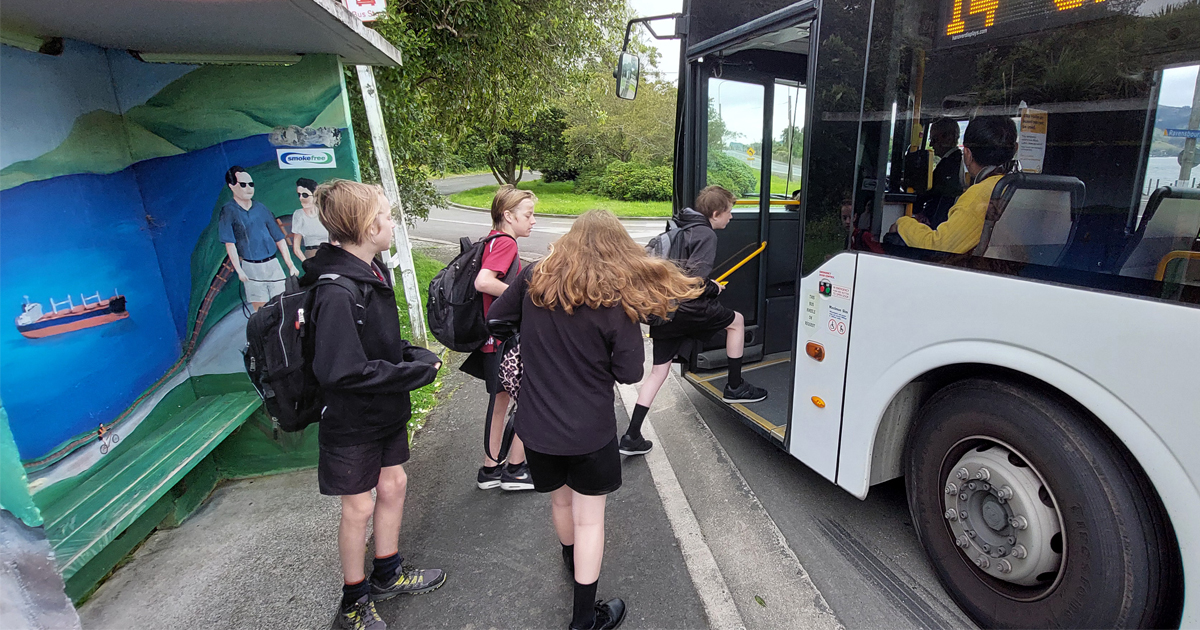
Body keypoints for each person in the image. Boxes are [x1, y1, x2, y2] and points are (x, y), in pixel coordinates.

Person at [487, 210, 703, 630]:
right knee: (590, 520)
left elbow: (496, 318)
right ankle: (584, 619)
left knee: (560, 502)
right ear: (618, 251)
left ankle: (572, 562)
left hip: (537, 426)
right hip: (589, 429)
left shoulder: (534, 278)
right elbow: (630, 373)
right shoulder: (616, 303)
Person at [303, 179, 447, 630]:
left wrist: (412, 355)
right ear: (368, 227)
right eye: (385, 215)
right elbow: (342, 371)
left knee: (394, 484)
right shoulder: (336, 292)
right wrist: (413, 373)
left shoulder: (371, 272)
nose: (392, 222)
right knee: (359, 508)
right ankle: (353, 601)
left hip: (382, 411)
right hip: (351, 421)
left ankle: (387, 572)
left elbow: (377, 343)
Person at [619, 185, 768, 457]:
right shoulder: (706, 234)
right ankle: (735, 386)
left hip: (665, 309)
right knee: (736, 321)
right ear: (716, 213)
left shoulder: (679, 227)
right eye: (729, 212)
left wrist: (706, 284)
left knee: (658, 372)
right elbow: (693, 281)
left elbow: (677, 273)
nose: (731, 217)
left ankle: (632, 435)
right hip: (688, 308)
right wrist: (713, 288)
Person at [461, 184, 537, 491]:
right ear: (508, 215)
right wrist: (522, 297)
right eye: (528, 215)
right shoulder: (506, 243)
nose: (533, 221)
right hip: (505, 341)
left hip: (491, 341)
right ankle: (516, 469)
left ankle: (490, 468)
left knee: (500, 403)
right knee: (532, 399)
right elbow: (484, 282)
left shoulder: (491, 240)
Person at [892, 116, 1018, 254]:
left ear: (967, 154)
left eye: (934, 140)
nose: (932, 144)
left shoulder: (977, 196)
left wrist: (902, 224)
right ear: (1015, 149)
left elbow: (938, 246)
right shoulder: (1015, 186)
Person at [218, 166, 299, 311]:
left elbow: (279, 238)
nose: (249, 188)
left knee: (282, 305)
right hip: (251, 267)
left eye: (251, 184)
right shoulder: (228, 210)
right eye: (243, 184)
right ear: (232, 186)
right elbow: (230, 244)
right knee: (261, 310)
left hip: (272, 264)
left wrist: (290, 264)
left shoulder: (261, 208)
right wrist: (239, 270)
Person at [913, 117, 965, 228]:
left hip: (937, 223)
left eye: (934, 139)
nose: (931, 144)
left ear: (949, 138)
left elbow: (929, 192)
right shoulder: (954, 161)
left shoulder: (949, 165)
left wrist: (916, 208)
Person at [291, 177, 330, 261]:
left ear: (315, 196)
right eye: (299, 195)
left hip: (328, 252)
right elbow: (296, 248)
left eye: (305, 195)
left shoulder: (324, 212)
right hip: (311, 254)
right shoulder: (299, 214)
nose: (301, 198)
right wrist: (306, 262)